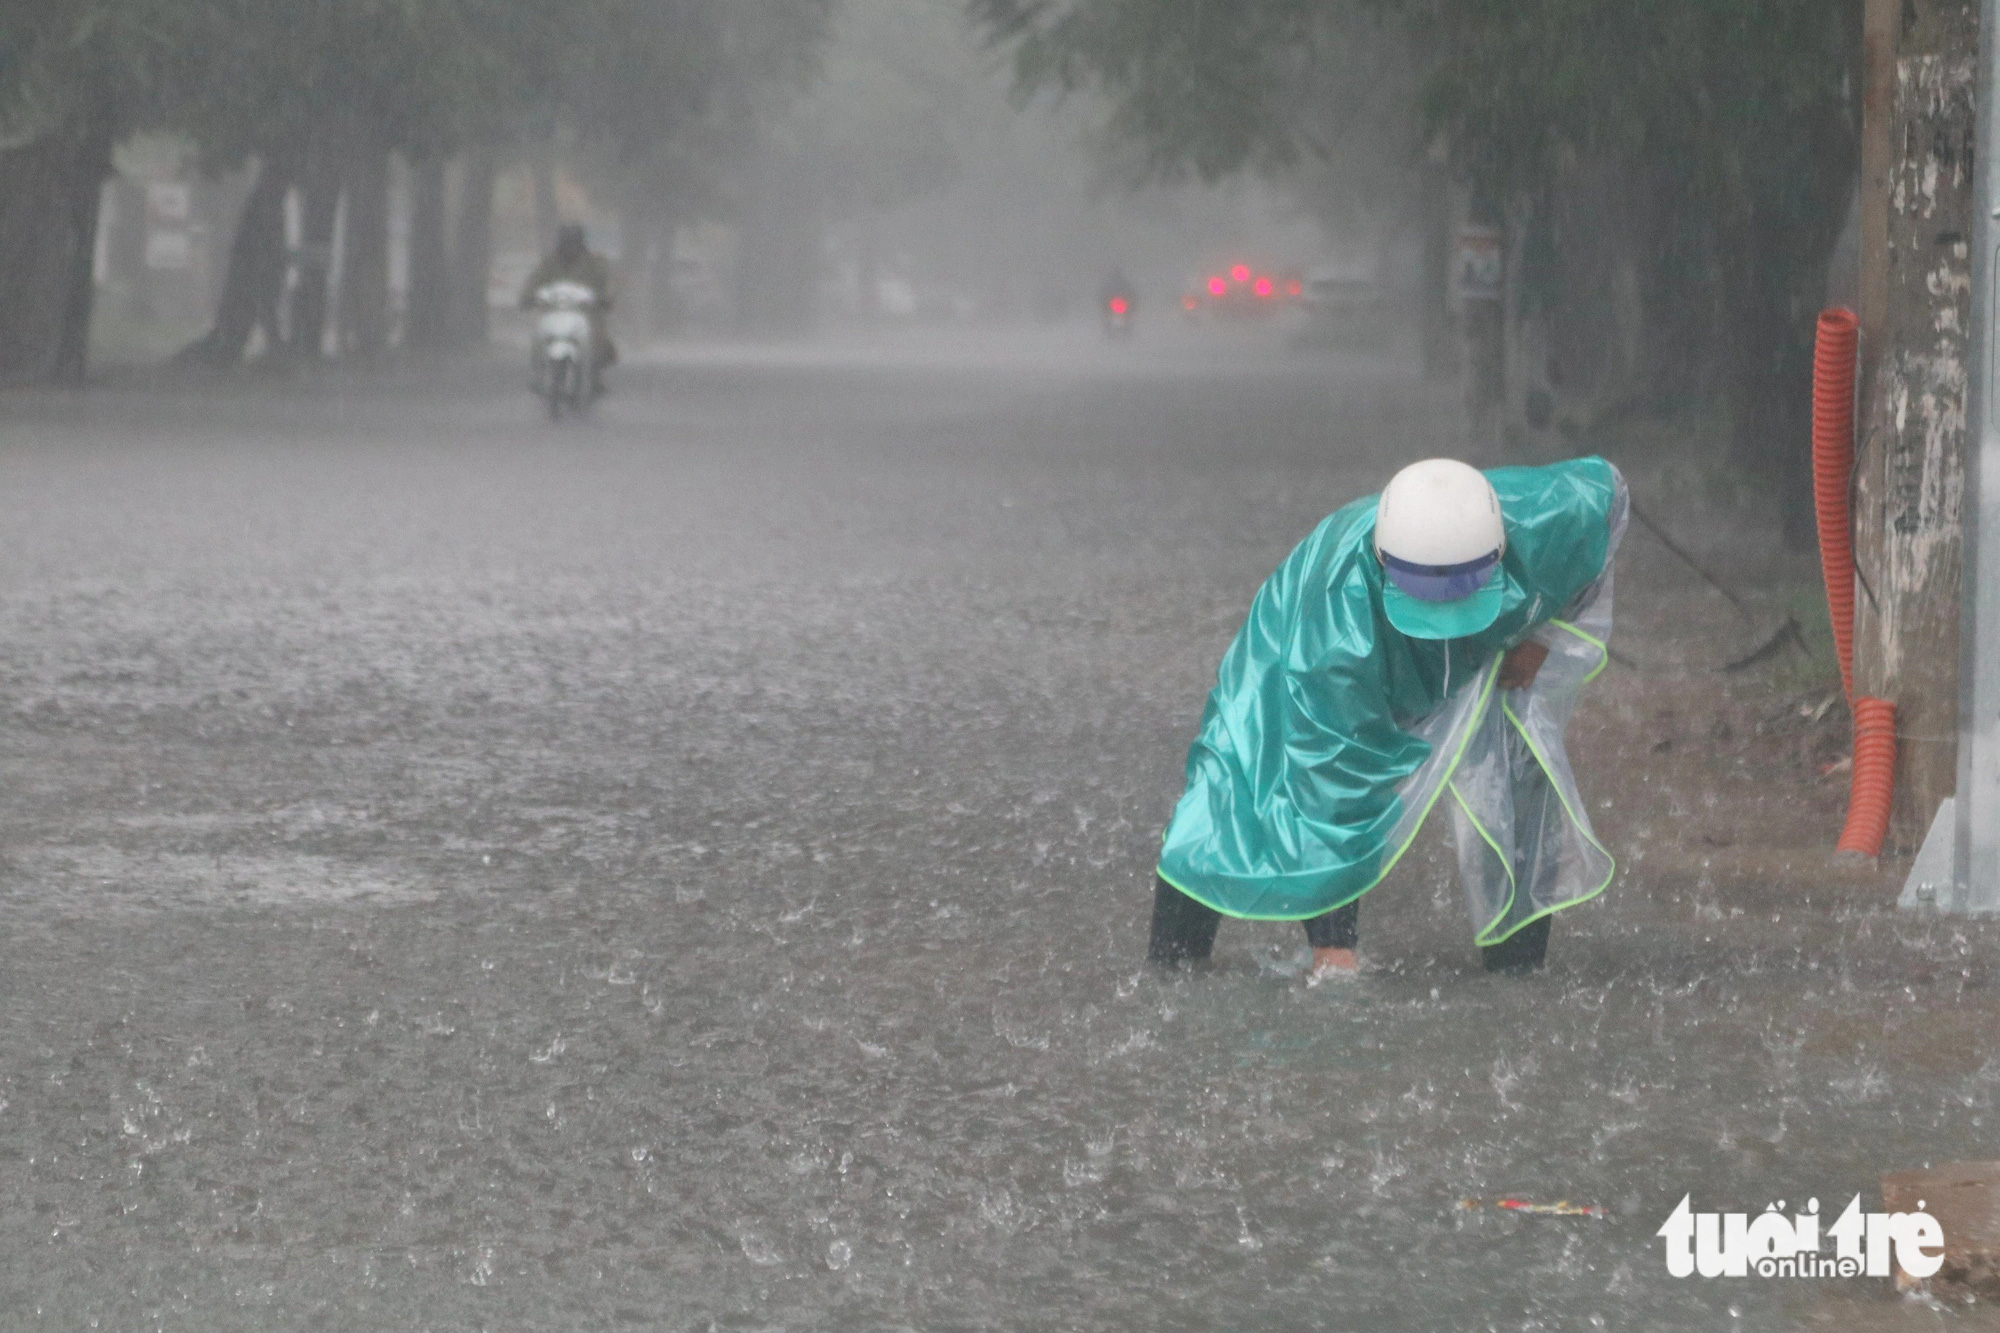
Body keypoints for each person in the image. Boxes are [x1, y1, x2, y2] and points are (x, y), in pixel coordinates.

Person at [1148, 456, 1628, 979]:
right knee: (1234, 783)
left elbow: (1610, 504)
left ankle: (1518, 974)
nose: (1443, 624)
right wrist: (1334, 949)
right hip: (1322, 638)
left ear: (1501, 548)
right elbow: (1331, 790)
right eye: (1431, 603)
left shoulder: (1553, 516)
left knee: (1518, 776)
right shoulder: (1332, 641)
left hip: (1490, 635)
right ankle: (1172, 973)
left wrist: (1544, 635)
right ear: (1382, 562)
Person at [520, 223, 617, 388]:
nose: (570, 248)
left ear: (580, 244)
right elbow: (534, 281)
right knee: (538, 338)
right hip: (553, 312)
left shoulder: (595, 263)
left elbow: (609, 283)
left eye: (573, 244)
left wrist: (605, 298)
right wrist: (527, 297)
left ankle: (595, 376)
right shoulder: (549, 263)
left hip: (586, 314)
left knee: (598, 339)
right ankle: (539, 372)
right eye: (566, 244)